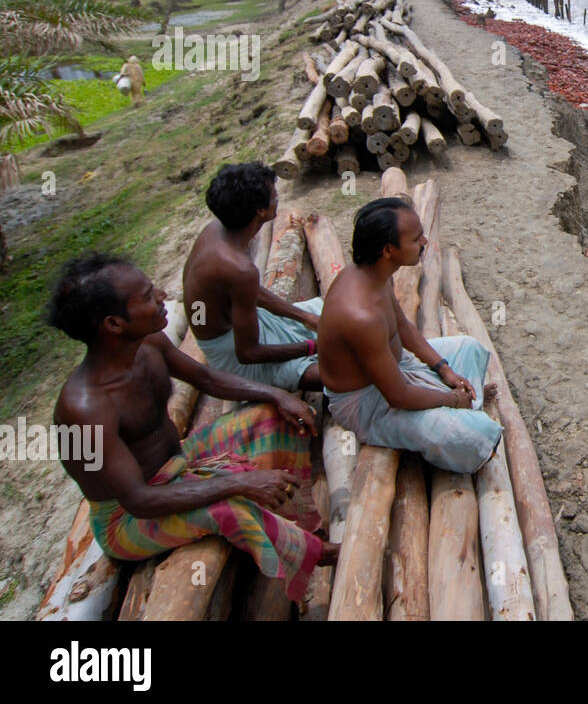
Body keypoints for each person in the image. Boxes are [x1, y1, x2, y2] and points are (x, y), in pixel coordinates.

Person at [48, 254, 336, 602]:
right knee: (229, 507)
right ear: (113, 324)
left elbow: (205, 377)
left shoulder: (149, 344)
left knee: (272, 415)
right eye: (145, 296)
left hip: (178, 462)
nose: (161, 294)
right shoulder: (83, 408)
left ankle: (295, 518)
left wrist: (276, 394)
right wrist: (241, 482)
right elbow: (138, 500)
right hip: (128, 518)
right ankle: (319, 554)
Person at [318, 197, 502, 474]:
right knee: (476, 433)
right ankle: (457, 412)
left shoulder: (378, 274)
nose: (425, 242)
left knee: (469, 347)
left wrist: (444, 369)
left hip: (397, 369)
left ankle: (456, 404)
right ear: (389, 250)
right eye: (417, 239)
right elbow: (398, 396)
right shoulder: (360, 315)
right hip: (369, 402)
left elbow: (403, 328)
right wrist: (451, 398)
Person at [183, 162, 322, 393]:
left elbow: (249, 292)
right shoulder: (238, 268)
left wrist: (304, 316)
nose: (277, 197)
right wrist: (313, 347)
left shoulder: (218, 228)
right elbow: (248, 354)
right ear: (260, 210)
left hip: (247, 325)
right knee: (342, 374)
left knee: (329, 310)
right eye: (273, 194)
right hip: (234, 355)